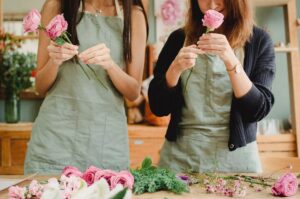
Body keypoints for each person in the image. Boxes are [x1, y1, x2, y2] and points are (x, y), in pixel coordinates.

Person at [148, 0, 275, 173]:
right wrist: (174, 70)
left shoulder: (259, 41)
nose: (212, 4)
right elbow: (158, 107)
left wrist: (231, 61)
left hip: (236, 161)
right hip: (179, 157)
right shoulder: (177, 39)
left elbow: (258, 110)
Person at [25, 0, 148, 174]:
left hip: (106, 144)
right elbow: (40, 86)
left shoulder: (133, 15)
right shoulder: (56, 6)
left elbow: (133, 92)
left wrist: (110, 65)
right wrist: (55, 60)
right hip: (54, 142)